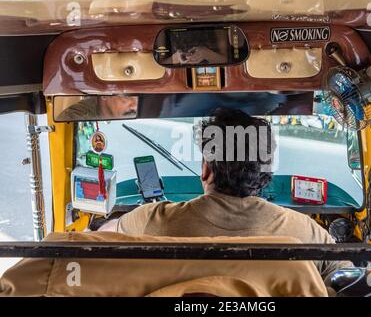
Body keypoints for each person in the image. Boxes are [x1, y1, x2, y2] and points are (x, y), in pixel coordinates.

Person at [100, 108, 352, 284]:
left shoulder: (153, 220)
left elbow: (106, 235)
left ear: (206, 169)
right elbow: (346, 279)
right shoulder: (306, 234)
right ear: (265, 173)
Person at [57, 95, 138, 121]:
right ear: (105, 94)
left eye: (137, 99)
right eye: (127, 97)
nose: (135, 106)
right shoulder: (75, 117)